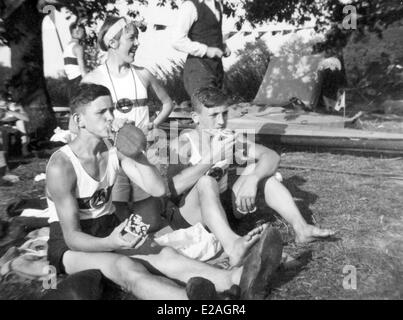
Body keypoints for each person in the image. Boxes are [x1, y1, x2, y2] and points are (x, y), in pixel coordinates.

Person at [46, 82, 281, 300]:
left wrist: (135, 147)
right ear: (79, 120)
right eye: (101, 113)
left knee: (167, 256)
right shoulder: (62, 166)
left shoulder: (113, 150)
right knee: (127, 269)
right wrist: (109, 242)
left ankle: (238, 279)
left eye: (111, 111)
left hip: (108, 229)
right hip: (71, 246)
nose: (110, 118)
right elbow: (72, 237)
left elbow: (157, 188)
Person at [164, 87, 335, 267]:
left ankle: (302, 229)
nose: (221, 121)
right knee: (206, 182)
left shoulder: (230, 138)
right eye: (214, 115)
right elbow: (173, 189)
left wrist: (253, 179)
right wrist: (212, 158)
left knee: (261, 173)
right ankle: (233, 246)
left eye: (225, 113)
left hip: (221, 209)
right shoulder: (182, 143)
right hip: (189, 216)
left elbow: (271, 156)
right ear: (196, 117)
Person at [82, 16, 174, 220]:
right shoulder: (92, 79)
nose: (137, 43)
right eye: (132, 38)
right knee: (118, 219)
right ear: (112, 43)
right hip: (112, 156)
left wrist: (153, 124)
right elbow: (82, 124)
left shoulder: (143, 75)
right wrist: (108, 125)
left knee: (150, 223)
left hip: (144, 153)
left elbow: (167, 103)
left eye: (137, 38)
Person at [171, 0, 231, 97]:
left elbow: (213, 31)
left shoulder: (218, 4)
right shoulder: (189, 6)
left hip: (217, 69)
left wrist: (223, 44)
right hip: (198, 70)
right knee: (208, 110)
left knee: (220, 109)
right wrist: (206, 50)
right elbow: (176, 41)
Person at [63, 21, 88, 98]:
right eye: (83, 31)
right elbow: (82, 69)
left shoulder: (67, 48)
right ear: (77, 31)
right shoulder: (78, 47)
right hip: (79, 80)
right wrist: (88, 83)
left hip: (70, 82)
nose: (84, 33)